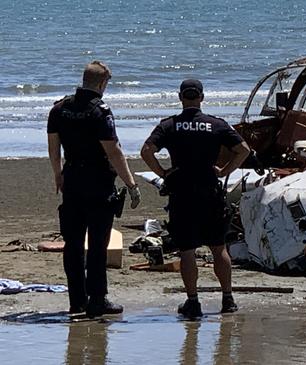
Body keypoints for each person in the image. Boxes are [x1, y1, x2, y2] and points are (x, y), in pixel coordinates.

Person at [140, 79, 250, 318]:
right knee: (218, 247)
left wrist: (163, 173)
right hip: (210, 191)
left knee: (187, 249)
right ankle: (227, 299)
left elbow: (146, 151)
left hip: (182, 193)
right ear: (201, 97)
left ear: (180, 97)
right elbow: (244, 150)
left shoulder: (170, 125)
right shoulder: (216, 124)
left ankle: (193, 301)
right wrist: (225, 170)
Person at [47, 60, 141, 317]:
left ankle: (76, 300)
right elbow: (114, 151)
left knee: (73, 243)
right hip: (98, 182)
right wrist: (131, 184)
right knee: (98, 243)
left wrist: (58, 175)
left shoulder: (60, 109)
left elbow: (54, 148)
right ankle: (97, 298)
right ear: (102, 83)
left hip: (72, 179)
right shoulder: (100, 111)